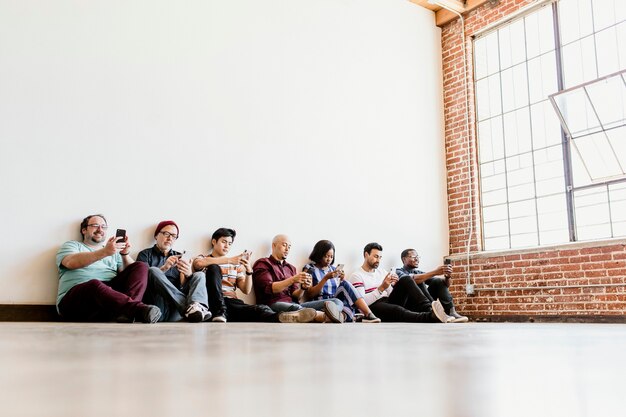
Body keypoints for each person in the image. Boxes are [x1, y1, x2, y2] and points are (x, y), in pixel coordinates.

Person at [193, 228, 316, 323]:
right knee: (214, 268)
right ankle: (219, 313)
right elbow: (198, 263)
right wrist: (229, 260)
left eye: (230, 243)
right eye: (224, 242)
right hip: (213, 302)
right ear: (214, 242)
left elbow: (246, 290)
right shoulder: (205, 258)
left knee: (259, 309)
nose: (227, 246)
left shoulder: (236, 265)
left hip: (231, 303)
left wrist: (249, 271)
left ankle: (283, 317)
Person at [56, 214, 160, 323]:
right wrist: (104, 252)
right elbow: (70, 262)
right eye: (95, 225)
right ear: (84, 230)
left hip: (108, 303)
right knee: (94, 285)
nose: (100, 229)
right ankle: (135, 309)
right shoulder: (72, 245)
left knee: (141, 266)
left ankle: (126, 313)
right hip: (75, 302)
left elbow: (133, 276)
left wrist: (125, 254)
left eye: (103, 227)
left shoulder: (113, 252)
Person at [348, 242, 450, 323]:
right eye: (375, 256)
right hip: (372, 307)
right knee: (398, 310)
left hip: (387, 300)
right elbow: (361, 304)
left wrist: (393, 284)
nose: (378, 260)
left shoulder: (382, 272)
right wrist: (381, 288)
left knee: (406, 279)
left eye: (380, 257)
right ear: (366, 255)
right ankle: (430, 317)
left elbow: (390, 293)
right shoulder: (356, 275)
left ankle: (430, 309)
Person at [252, 234, 344, 323]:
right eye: (284, 245)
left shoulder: (291, 268)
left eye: (289, 246)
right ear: (274, 245)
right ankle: (324, 317)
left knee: (336, 302)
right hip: (272, 304)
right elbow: (269, 288)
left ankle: (321, 316)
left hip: (294, 304)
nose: (287, 249)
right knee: (297, 309)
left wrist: (303, 288)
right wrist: (292, 280)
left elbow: (296, 296)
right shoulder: (263, 263)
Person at [137, 220, 211, 322]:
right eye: (166, 233)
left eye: (174, 236)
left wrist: (188, 274)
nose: (170, 238)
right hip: (158, 303)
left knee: (199, 275)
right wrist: (165, 268)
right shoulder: (145, 254)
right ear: (156, 236)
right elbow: (141, 281)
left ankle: (196, 307)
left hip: (176, 310)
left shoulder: (180, 255)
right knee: (153, 270)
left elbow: (184, 285)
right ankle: (191, 309)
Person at [303, 240, 380, 323]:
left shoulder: (332, 269)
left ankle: (364, 314)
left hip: (336, 302)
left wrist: (342, 279)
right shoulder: (310, 268)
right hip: (321, 302)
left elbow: (340, 290)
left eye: (331, 257)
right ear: (319, 254)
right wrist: (325, 278)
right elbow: (310, 294)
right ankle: (357, 316)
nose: (329, 259)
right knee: (345, 306)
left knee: (345, 287)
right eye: (326, 256)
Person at [396, 249, 468, 323]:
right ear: (404, 259)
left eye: (418, 257)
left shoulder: (418, 272)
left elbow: (445, 284)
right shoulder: (398, 271)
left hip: (423, 304)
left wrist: (447, 277)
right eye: (413, 256)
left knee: (437, 281)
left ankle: (450, 311)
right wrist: (435, 272)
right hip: (409, 305)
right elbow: (413, 280)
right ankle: (434, 311)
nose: (417, 259)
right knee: (419, 281)